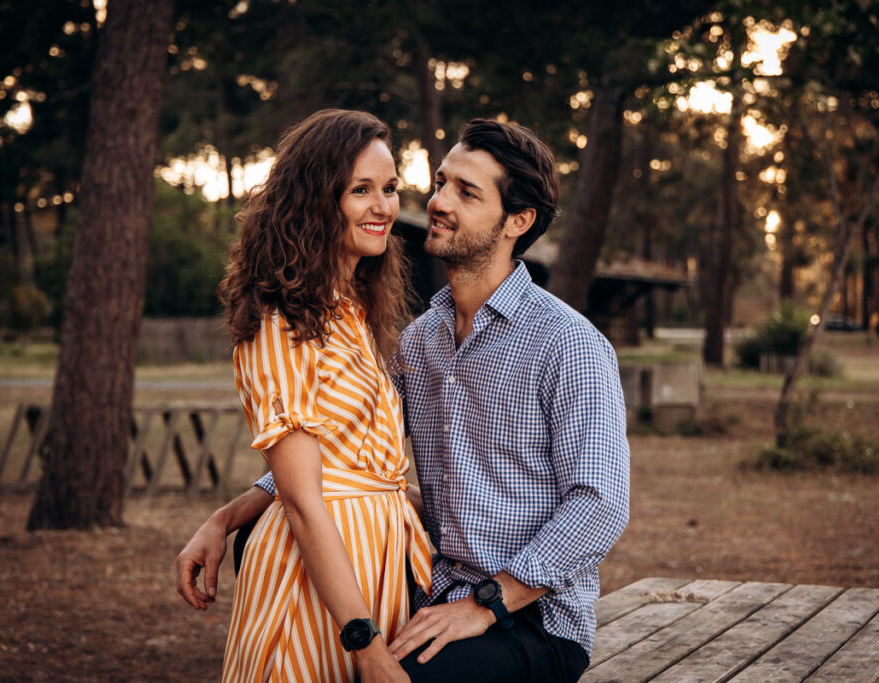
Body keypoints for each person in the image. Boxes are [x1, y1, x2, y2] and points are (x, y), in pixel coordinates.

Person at [177, 118, 630, 682]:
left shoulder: (569, 343)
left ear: (518, 221)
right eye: (441, 182)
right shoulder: (421, 341)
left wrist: (487, 602)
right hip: (432, 587)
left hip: (529, 616)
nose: (437, 202)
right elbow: (341, 448)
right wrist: (229, 515)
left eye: (466, 192)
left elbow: (599, 505)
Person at [207, 108, 433, 682]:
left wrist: (227, 515)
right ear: (315, 197)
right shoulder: (281, 321)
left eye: (389, 189)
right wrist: (365, 643)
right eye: (361, 190)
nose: (383, 207)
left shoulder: (352, 309)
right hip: (316, 588)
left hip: (378, 565)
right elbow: (305, 499)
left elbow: (340, 454)